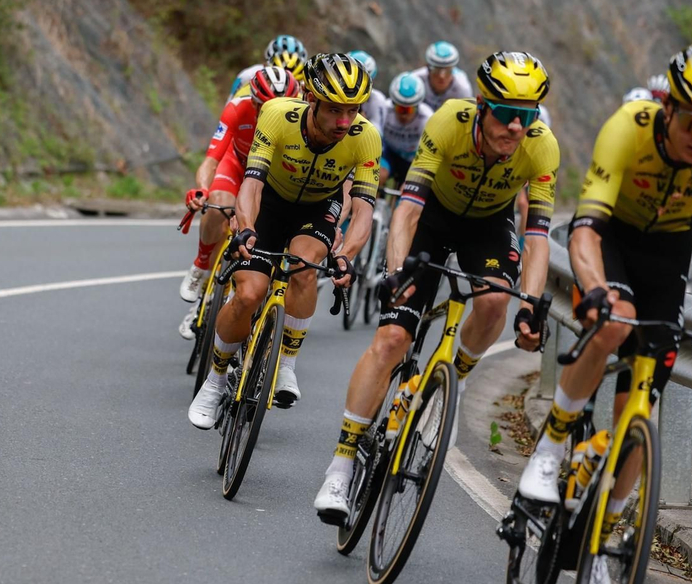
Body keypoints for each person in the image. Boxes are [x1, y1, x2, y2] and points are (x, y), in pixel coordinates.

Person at [516, 44, 692, 584]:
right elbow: (582, 231)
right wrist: (596, 289)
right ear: (668, 107)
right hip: (611, 239)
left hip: (667, 254)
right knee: (613, 324)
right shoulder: (629, 127)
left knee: (642, 411)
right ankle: (552, 447)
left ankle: (604, 543)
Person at [312, 52, 559, 522]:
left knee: (495, 301)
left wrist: (532, 308)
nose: (516, 128)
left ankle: (456, 378)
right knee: (391, 339)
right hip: (433, 218)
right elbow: (406, 209)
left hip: (488, 225)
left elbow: (536, 236)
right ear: (483, 106)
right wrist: (394, 273)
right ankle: (341, 466)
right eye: (507, 115)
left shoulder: (541, 148)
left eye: (527, 118)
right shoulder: (449, 121)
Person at [187, 54, 383, 428]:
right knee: (247, 294)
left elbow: (362, 211)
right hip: (270, 202)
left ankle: (287, 364)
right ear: (311, 97)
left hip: (320, 206)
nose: (345, 122)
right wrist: (245, 227)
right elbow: (252, 184)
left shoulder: (365, 137)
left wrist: (347, 255)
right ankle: (214, 381)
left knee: (304, 268)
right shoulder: (278, 115)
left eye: (354, 110)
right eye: (335, 110)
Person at [178, 67, 302, 336]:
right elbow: (211, 160)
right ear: (253, 101)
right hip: (237, 165)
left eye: (278, 109)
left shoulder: (301, 123)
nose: (270, 115)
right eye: (263, 107)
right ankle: (201, 266)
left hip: (271, 178)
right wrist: (201, 189)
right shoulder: (237, 108)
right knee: (218, 203)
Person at [377, 72, 434, 187]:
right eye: (399, 108)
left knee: (408, 188)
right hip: (389, 153)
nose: (403, 115)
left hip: (412, 159)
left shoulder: (427, 118)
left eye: (408, 110)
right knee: (378, 176)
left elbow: (427, 155)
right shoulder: (384, 109)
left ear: (417, 106)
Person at [411, 41, 474, 109]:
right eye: (436, 69)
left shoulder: (462, 88)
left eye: (447, 70)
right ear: (428, 68)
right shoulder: (415, 81)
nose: (442, 76)